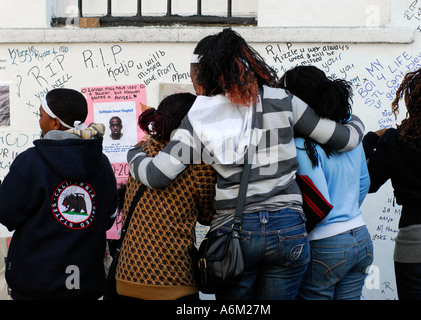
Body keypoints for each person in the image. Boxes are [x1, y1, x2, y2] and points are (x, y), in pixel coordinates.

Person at [127, 28, 365, 300]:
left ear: (204, 73)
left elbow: (158, 175)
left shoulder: (198, 116)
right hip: (288, 231)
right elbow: (345, 139)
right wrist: (356, 119)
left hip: (235, 233)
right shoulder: (282, 100)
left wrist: (133, 156)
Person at [0, 88, 118, 300]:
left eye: (41, 116)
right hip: (86, 284)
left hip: (35, 285)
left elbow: (6, 214)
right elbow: (108, 219)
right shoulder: (102, 163)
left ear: (55, 123)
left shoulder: (30, 162)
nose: (39, 122)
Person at [280, 65, 373, 300]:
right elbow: (364, 183)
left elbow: (318, 205)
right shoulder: (350, 132)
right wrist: (347, 210)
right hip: (360, 236)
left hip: (324, 245)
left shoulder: (302, 146)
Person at [115, 93, 217, 300]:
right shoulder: (200, 165)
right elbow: (208, 217)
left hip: (126, 276)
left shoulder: (141, 152)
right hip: (174, 280)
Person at [364, 64, 421, 300]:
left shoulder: (395, 140)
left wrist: (371, 140)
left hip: (417, 245)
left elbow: (367, 183)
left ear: (409, 102)